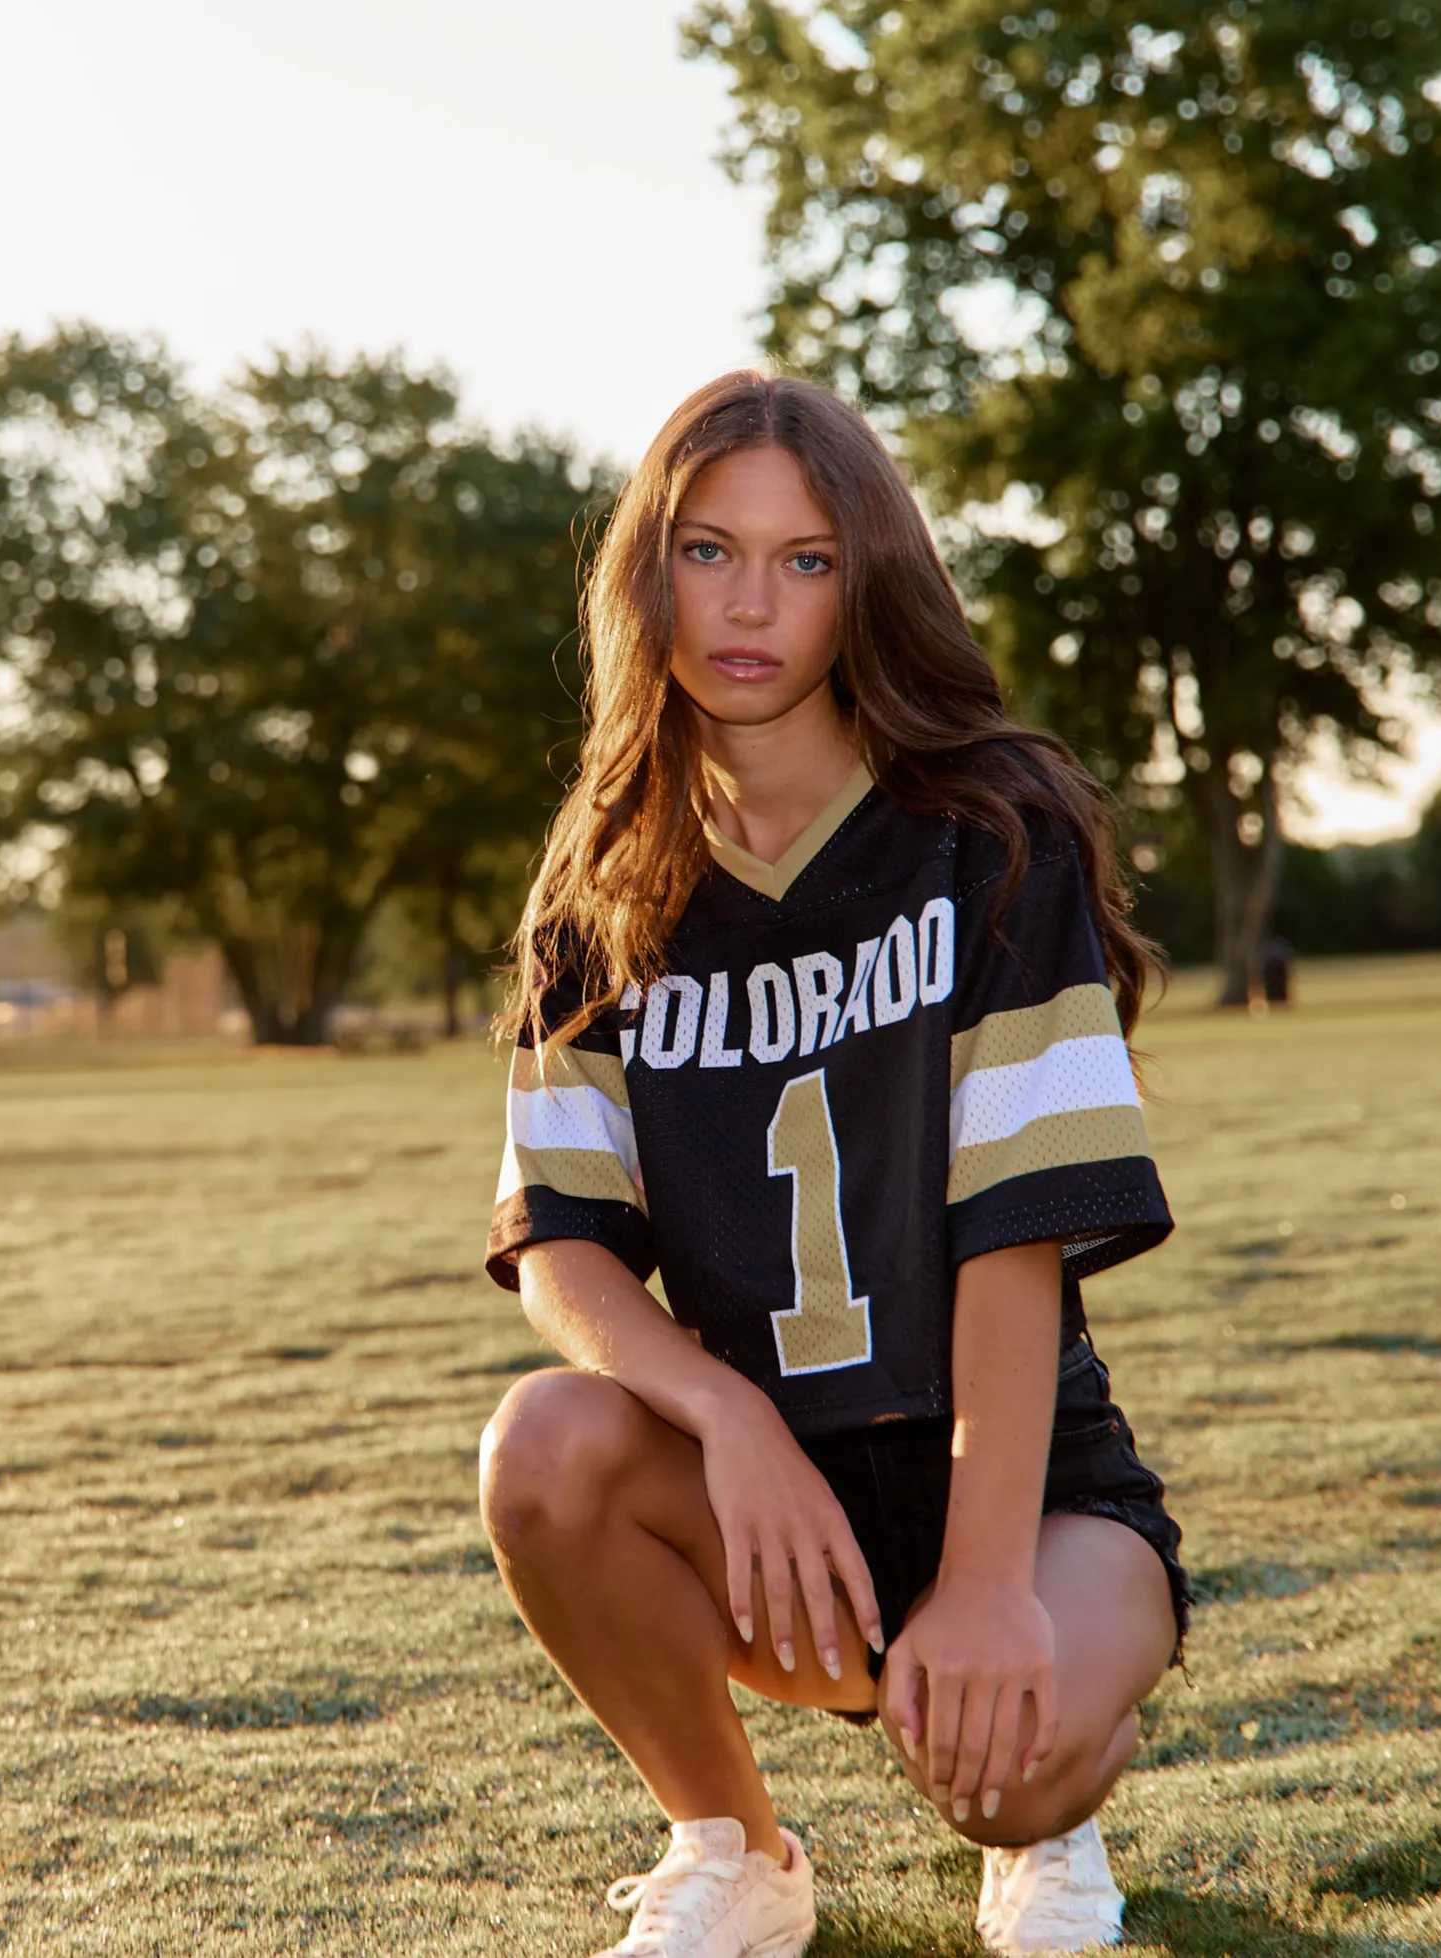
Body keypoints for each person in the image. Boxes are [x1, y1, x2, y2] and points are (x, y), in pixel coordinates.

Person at [480, 371, 1187, 1958]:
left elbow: (1016, 1235)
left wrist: (989, 1579)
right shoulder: (599, 887)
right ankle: (734, 1845)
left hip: (1021, 1481)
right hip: (771, 1503)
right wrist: (726, 1417)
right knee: (540, 1445)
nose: (750, 604)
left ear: (865, 582)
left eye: (805, 561)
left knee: (1001, 1784)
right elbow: (564, 1245)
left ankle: (1056, 1797)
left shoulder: (987, 831)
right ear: (644, 574)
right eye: (708, 551)